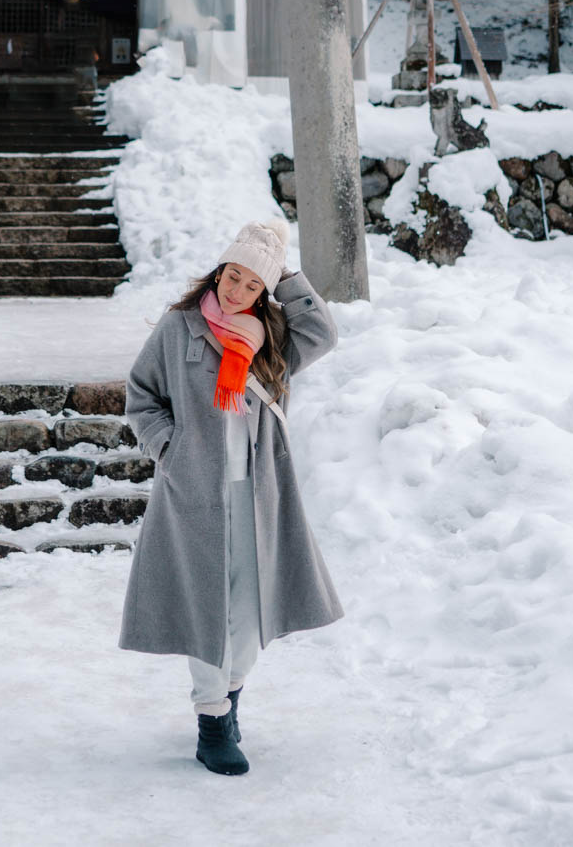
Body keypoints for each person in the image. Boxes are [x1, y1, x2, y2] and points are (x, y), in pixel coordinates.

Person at [119, 218, 343, 776]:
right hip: (193, 492)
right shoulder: (180, 329)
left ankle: (233, 695)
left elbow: (324, 333)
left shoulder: (272, 340)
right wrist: (168, 448)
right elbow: (141, 394)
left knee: (248, 608)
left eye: (251, 284)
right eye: (232, 275)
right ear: (218, 271)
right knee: (205, 607)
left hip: (258, 492)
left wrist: (283, 272)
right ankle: (211, 720)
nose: (236, 290)